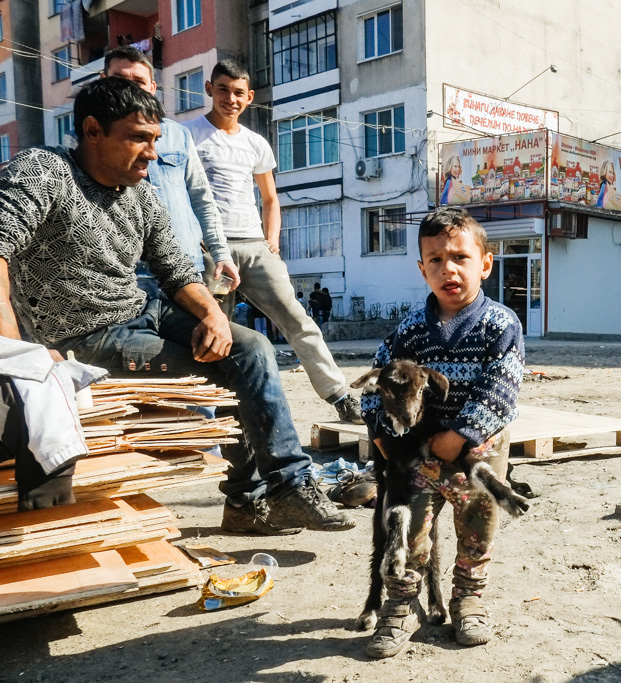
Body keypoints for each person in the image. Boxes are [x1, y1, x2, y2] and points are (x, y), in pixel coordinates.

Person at [0, 77, 355, 536]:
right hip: (84, 337)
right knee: (230, 372)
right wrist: (16, 352)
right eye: (138, 138)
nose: (152, 153)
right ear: (92, 131)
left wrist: (211, 314)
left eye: (156, 140)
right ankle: (252, 500)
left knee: (250, 348)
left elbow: (176, 269)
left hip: (144, 311)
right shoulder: (43, 172)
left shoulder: (140, 193)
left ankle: (289, 484)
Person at [360, 207, 524, 659]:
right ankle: (401, 603)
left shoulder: (501, 325)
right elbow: (378, 379)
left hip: (476, 449)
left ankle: (468, 596)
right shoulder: (409, 331)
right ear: (422, 269)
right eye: (434, 259)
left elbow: (502, 388)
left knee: (478, 524)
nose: (447, 268)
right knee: (409, 528)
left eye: (459, 257)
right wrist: (379, 431)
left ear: (485, 264)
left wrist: (462, 433)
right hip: (418, 451)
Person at [183, 60, 362, 424]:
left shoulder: (255, 143)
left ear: (249, 97)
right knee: (212, 331)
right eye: (222, 89)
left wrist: (272, 240)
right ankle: (205, 413)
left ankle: (340, 395)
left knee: (297, 319)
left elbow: (270, 199)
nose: (229, 99)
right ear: (208, 89)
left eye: (237, 93)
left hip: (253, 246)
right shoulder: (188, 136)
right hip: (209, 252)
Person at [101, 46, 240, 295]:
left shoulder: (177, 135)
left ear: (152, 88)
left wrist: (221, 254)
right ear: (103, 82)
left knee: (208, 333)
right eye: (119, 80)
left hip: (185, 267)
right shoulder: (88, 139)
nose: (130, 89)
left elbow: (201, 198)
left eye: (139, 82)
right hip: (124, 274)